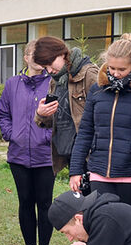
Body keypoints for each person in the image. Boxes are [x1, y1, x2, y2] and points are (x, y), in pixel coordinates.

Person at [69, 33, 131, 209]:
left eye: (121, 70)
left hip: (130, 174)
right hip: (98, 172)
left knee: (124, 228)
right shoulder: (96, 91)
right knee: (100, 225)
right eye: (111, 68)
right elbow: (85, 132)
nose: (115, 73)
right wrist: (75, 170)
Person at [0, 39, 53, 245]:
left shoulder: (53, 84)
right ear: (26, 57)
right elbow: (3, 113)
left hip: (45, 156)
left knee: (45, 203)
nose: (39, 60)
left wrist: (47, 138)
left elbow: (61, 117)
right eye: (35, 55)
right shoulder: (12, 84)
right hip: (18, 156)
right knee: (25, 202)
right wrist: (12, 135)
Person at [33, 36, 100, 174]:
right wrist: (41, 114)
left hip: (91, 155)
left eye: (50, 63)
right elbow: (58, 118)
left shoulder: (89, 74)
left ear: (62, 54)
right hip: (69, 153)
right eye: (45, 67)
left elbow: (105, 115)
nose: (49, 70)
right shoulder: (56, 80)